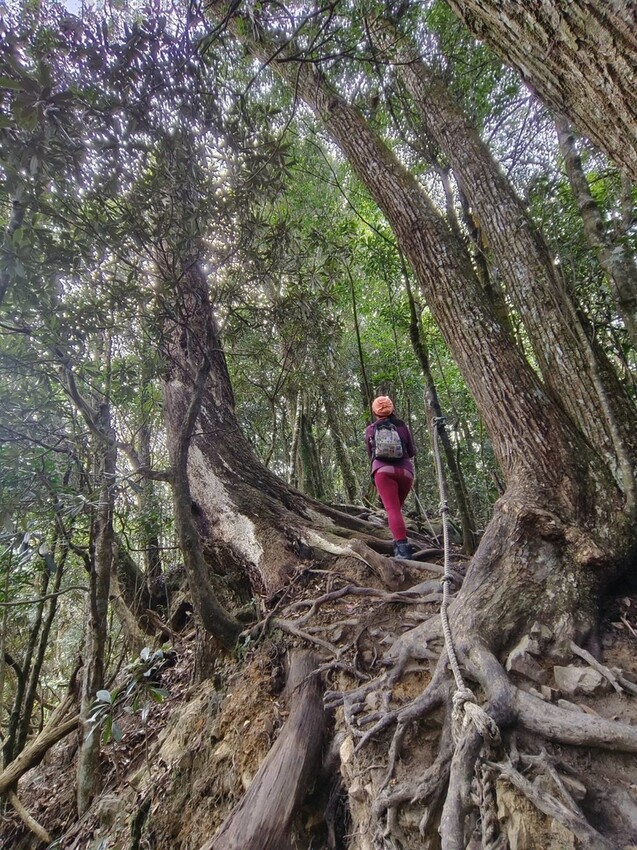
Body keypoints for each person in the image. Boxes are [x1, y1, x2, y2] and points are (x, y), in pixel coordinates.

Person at [365, 396, 416, 559]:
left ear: (375, 411)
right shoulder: (402, 427)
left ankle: (402, 551)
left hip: (383, 471)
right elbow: (412, 451)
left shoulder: (371, 429)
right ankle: (399, 545)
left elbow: (371, 453)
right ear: (392, 409)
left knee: (392, 510)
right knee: (396, 510)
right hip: (406, 472)